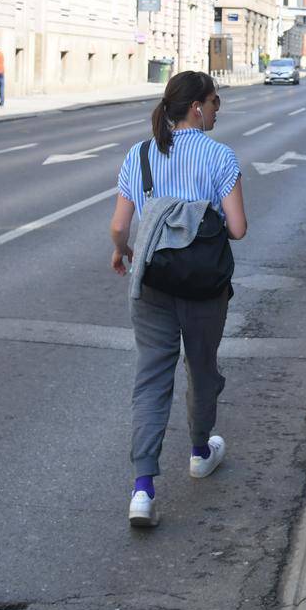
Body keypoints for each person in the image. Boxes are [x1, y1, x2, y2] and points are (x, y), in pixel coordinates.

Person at [108, 71, 247, 529]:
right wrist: (197, 224)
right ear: (195, 108)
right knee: (202, 368)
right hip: (204, 287)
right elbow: (238, 228)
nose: (216, 110)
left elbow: (118, 226)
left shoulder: (141, 154)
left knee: (151, 379)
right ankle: (199, 450)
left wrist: (123, 251)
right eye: (213, 103)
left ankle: (143, 489)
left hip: (153, 283)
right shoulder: (220, 157)